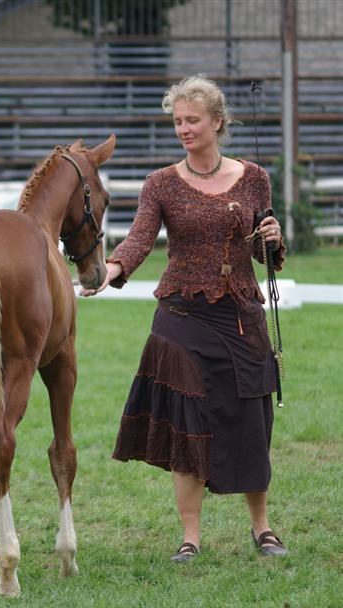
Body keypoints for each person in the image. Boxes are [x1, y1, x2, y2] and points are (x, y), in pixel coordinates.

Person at [80, 75, 287, 561]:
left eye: (192, 120)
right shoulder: (161, 184)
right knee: (187, 423)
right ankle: (190, 537)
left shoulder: (255, 177)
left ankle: (262, 528)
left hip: (241, 316)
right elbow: (138, 239)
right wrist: (111, 269)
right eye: (177, 121)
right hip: (181, 318)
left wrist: (272, 239)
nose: (183, 128)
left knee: (252, 423)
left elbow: (264, 252)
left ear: (217, 121)